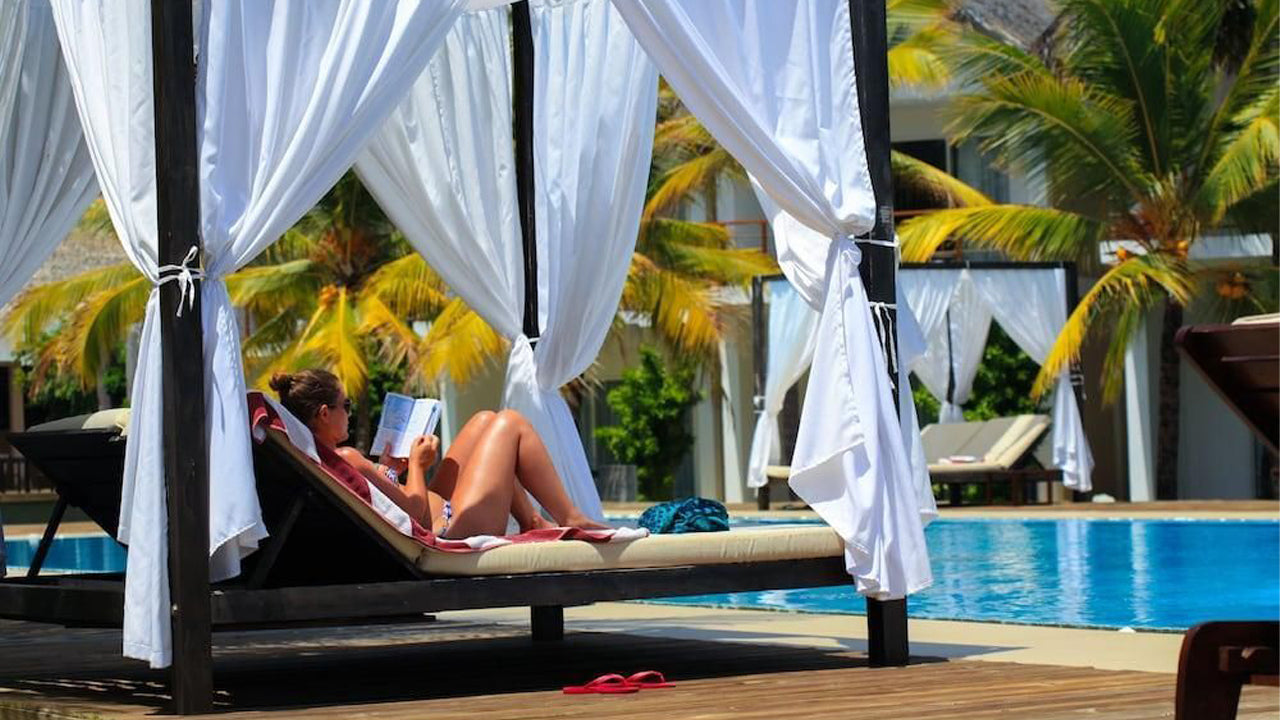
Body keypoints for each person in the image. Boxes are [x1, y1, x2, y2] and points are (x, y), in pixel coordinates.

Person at [269, 369, 607, 538]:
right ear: (324, 414)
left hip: (439, 511)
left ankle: (533, 521)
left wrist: (389, 469)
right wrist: (417, 466)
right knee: (510, 423)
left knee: (483, 421)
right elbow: (414, 512)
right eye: (345, 405)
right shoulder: (346, 457)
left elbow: (389, 504)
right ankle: (570, 517)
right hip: (449, 527)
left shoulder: (328, 460)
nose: (349, 411)